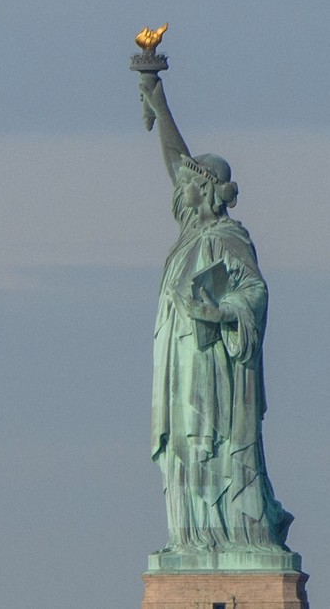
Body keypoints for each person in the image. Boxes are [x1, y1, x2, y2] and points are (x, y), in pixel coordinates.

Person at [139, 75, 293, 552]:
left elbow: (254, 291)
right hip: (182, 366)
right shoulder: (190, 232)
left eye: (189, 184)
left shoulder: (228, 238)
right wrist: (156, 97)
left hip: (217, 368)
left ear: (205, 191)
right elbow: (174, 162)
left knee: (214, 444)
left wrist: (222, 313)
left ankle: (233, 533)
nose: (179, 188)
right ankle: (190, 537)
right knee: (185, 449)